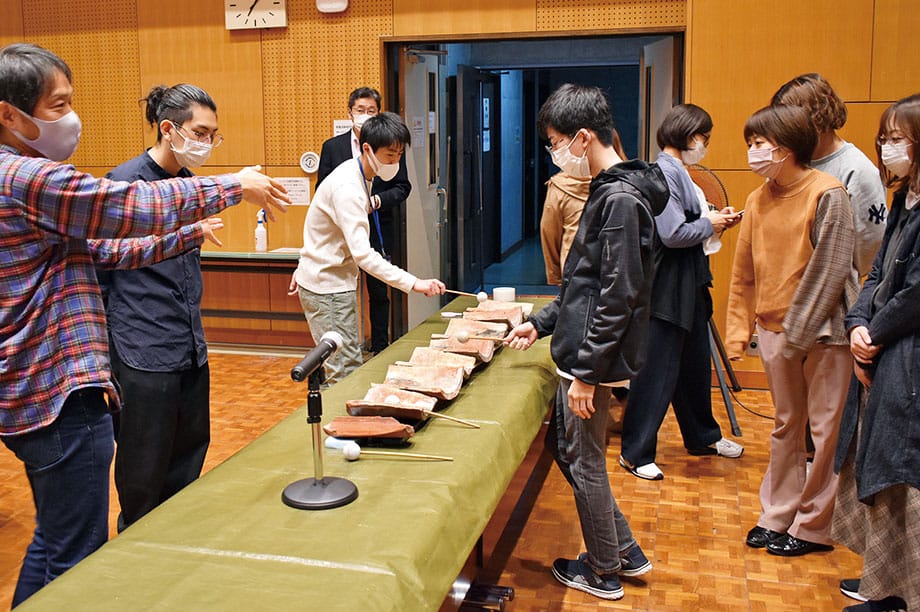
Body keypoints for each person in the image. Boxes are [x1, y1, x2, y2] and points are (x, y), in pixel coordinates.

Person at [0, 43, 288, 606]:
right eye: (59, 106)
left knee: (60, 538)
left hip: (57, 385)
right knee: (78, 546)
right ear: (10, 114)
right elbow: (122, 206)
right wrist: (234, 185)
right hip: (56, 388)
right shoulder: (24, 178)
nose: (71, 118)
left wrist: (185, 234)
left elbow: (101, 251)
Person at [504, 83, 667, 601]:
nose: (554, 154)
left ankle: (602, 570)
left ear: (581, 137)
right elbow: (584, 286)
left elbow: (619, 294)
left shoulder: (619, 198)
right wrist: (543, 322)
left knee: (585, 460)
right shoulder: (608, 188)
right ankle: (623, 549)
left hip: (594, 361)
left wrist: (587, 373)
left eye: (555, 142)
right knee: (566, 448)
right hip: (583, 351)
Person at [88, 84, 225, 532]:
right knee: (143, 469)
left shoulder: (187, 183)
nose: (206, 142)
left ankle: (177, 547)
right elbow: (101, 274)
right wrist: (105, 360)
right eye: (199, 132)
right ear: (168, 129)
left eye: (213, 134)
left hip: (188, 344)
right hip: (140, 350)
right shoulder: (124, 184)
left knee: (188, 458)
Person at [725, 104, 857, 557]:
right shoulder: (757, 198)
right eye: (751, 143)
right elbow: (743, 273)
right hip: (777, 332)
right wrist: (738, 333)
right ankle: (777, 514)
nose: (754, 152)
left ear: (787, 147)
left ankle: (814, 525)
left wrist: (795, 335)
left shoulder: (828, 193)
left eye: (761, 144)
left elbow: (831, 270)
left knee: (825, 431)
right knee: (785, 426)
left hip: (825, 334)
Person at [619, 104, 743, 481]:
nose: (705, 144)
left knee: (693, 362)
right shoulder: (663, 174)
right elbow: (672, 234)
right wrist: (711, 222)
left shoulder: (682, 173)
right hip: (667, 284)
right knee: (656, 369)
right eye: (703, 137)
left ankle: (702, 435)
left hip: (689, 281)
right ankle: (635, 451)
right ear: (690, 136)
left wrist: (712, 221)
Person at [831, 93, 920, 612]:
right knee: (878, 467)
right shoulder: (906, 197)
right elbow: (878, 274)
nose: (887, 147)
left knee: (902, 474)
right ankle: (884, 586)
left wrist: (874, 332)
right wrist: (858, 324)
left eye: (897, 138)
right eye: (883, 137)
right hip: (883, 348)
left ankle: (899, 593)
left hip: (907, 356)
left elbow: (914, 292)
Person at [291, 111, 443, 386]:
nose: (395, 161)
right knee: (344, 368)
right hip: (327, 287)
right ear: (367, 149)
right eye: (389, 155)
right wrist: (414, 283)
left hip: (329, 280)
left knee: (341, 364)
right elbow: (363, 255)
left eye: (399, 155)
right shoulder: (348, 186)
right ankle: (340, 429)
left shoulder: (359, 174)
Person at [316, 87, 411, 354]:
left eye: (371, 110)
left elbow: (402, 187)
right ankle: (343, 352)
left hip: (378, 227)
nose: (365, 115)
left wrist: (376, 202)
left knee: (379, 292)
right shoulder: (334, 151)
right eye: (360, 110)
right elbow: (322, 192)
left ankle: (380, 347)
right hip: (340, 236)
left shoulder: (391, 147)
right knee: (343, 294)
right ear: (350, 112)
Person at [772, 73, 887, 277]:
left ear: (816, 117)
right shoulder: (788, 161)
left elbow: (869, 248)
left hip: (831, 289)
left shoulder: (857, 169)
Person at [539, 171, 590, 286]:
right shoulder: (624, 183)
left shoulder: (560, 187)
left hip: (574, 272)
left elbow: (549, 235)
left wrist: (555, 277)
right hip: (613, 275)